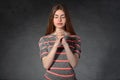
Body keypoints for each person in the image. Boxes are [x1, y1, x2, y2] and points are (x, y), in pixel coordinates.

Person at [38, 3, 81, 80]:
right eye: (56, 17)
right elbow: (46, 65)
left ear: (67, 19)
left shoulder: (75, 39)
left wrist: (65, 44)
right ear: (52, 19)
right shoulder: (44, 40)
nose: (59, 20)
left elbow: (74, 64)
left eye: (63, 17)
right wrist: (56, 44)